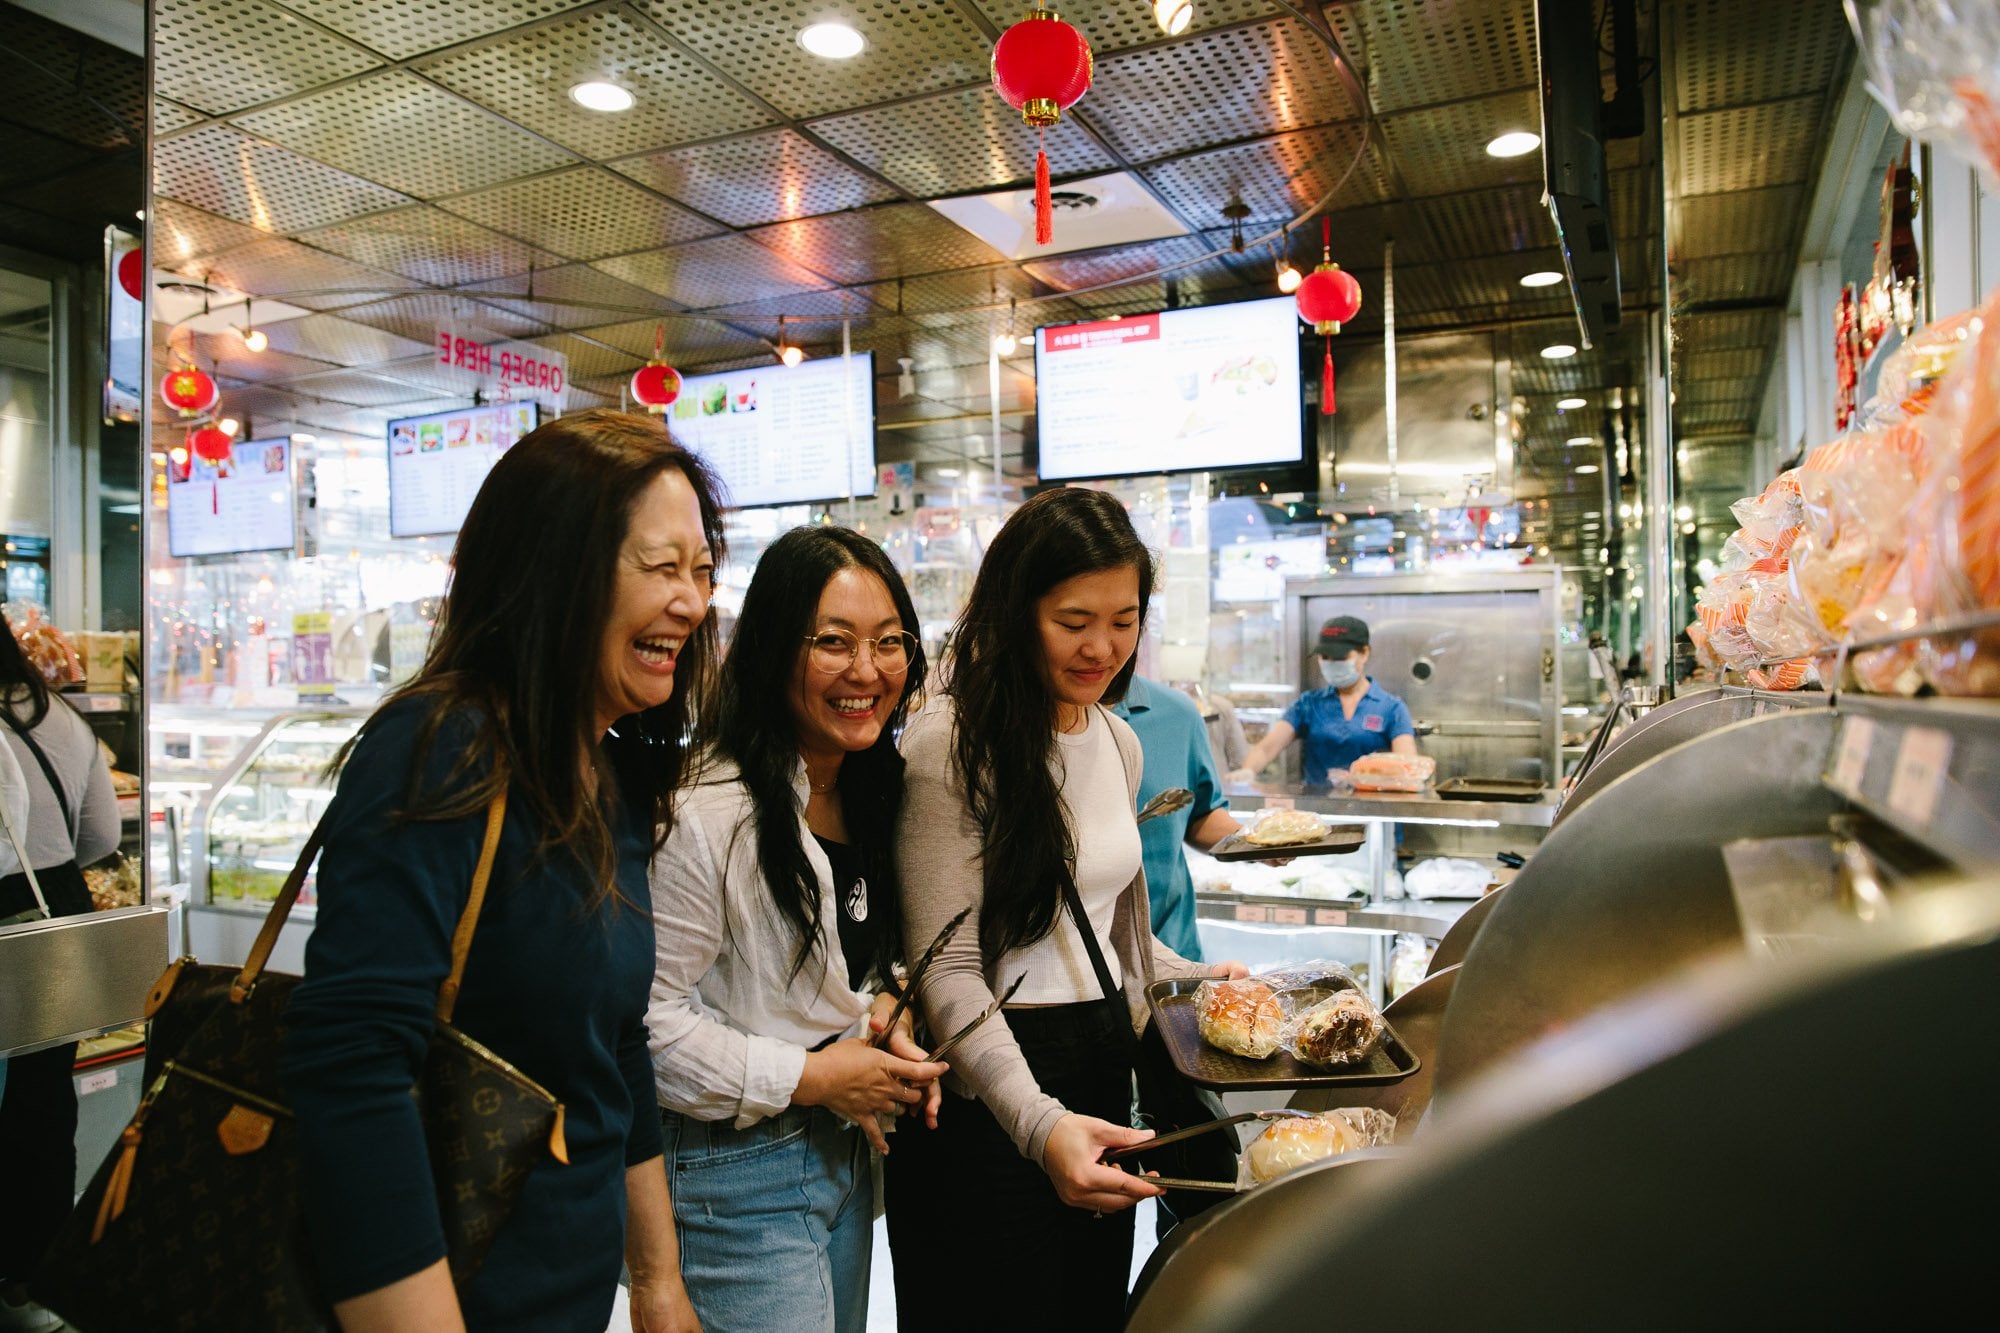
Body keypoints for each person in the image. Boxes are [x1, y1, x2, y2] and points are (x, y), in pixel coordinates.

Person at [280, 411, 722, 1333]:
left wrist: (655, 1275)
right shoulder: (443, 746)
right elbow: (352, 1070)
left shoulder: (602, 767)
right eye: (662, 567)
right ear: (556, 570)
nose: (693, 602)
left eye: (703, 571)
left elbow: (616, 1047)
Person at [887, 487, 1246, 1327]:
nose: (1103, 647)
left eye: (1124, 620)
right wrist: (1037, 1122)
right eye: (1074, 619)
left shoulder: (1114, 738)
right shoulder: (953, 744)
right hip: (988, 1090)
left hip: (1098, 1061)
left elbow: (1118, 937)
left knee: (1090, 1309)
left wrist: (1201, 980)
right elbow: (947, 966)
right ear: (1018, 610)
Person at [647, 526, 946, 1333]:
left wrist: (889, 1010)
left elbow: (857, 965)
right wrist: (814, 1077)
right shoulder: (707, 809)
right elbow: (647, 1027)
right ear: (775, 650)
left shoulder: (872, 786)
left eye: (889, 642)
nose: (866, 670)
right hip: (731, 1169)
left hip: (842, 1153)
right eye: (833, 642)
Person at [0, 619, 119, 1333]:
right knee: (45, 1103)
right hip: (57, 914)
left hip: (6, 904)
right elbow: (101, 837)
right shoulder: (64, 720)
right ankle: (31, 1276)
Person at [1109, 675, 1242, 963]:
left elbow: (1200, 814)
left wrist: (1259, 842)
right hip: (1070, 970)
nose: (1099, 649)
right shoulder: (1021, 712)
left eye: (1121, 626)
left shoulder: (1177, 713)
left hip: (1171, 949)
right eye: (1074, 627)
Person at [1227, 615, 1417, 786]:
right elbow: (1266, 749)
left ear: (1364, 653)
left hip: (1374, 812)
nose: (1332, 663)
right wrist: (1248, 770)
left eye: (1341, 657)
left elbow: (1407, 765)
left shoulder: (1392, 708)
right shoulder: (1309, 704)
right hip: (1320, 811)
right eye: (1325, 657)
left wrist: (1364, 778)